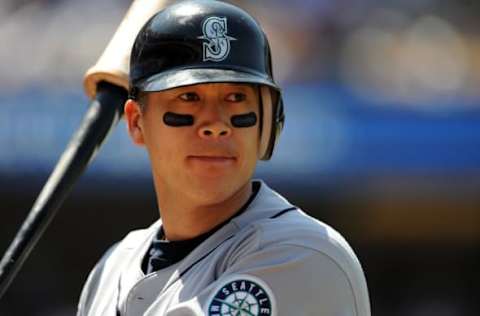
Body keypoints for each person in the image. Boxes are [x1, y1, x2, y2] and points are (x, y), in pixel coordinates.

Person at [77, 1, 371, 315]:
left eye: (236, 98)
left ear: (267, 122)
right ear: (137, 122)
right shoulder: (112, 268)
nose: (216, 125)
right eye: (188, 96)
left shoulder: (302, 253)